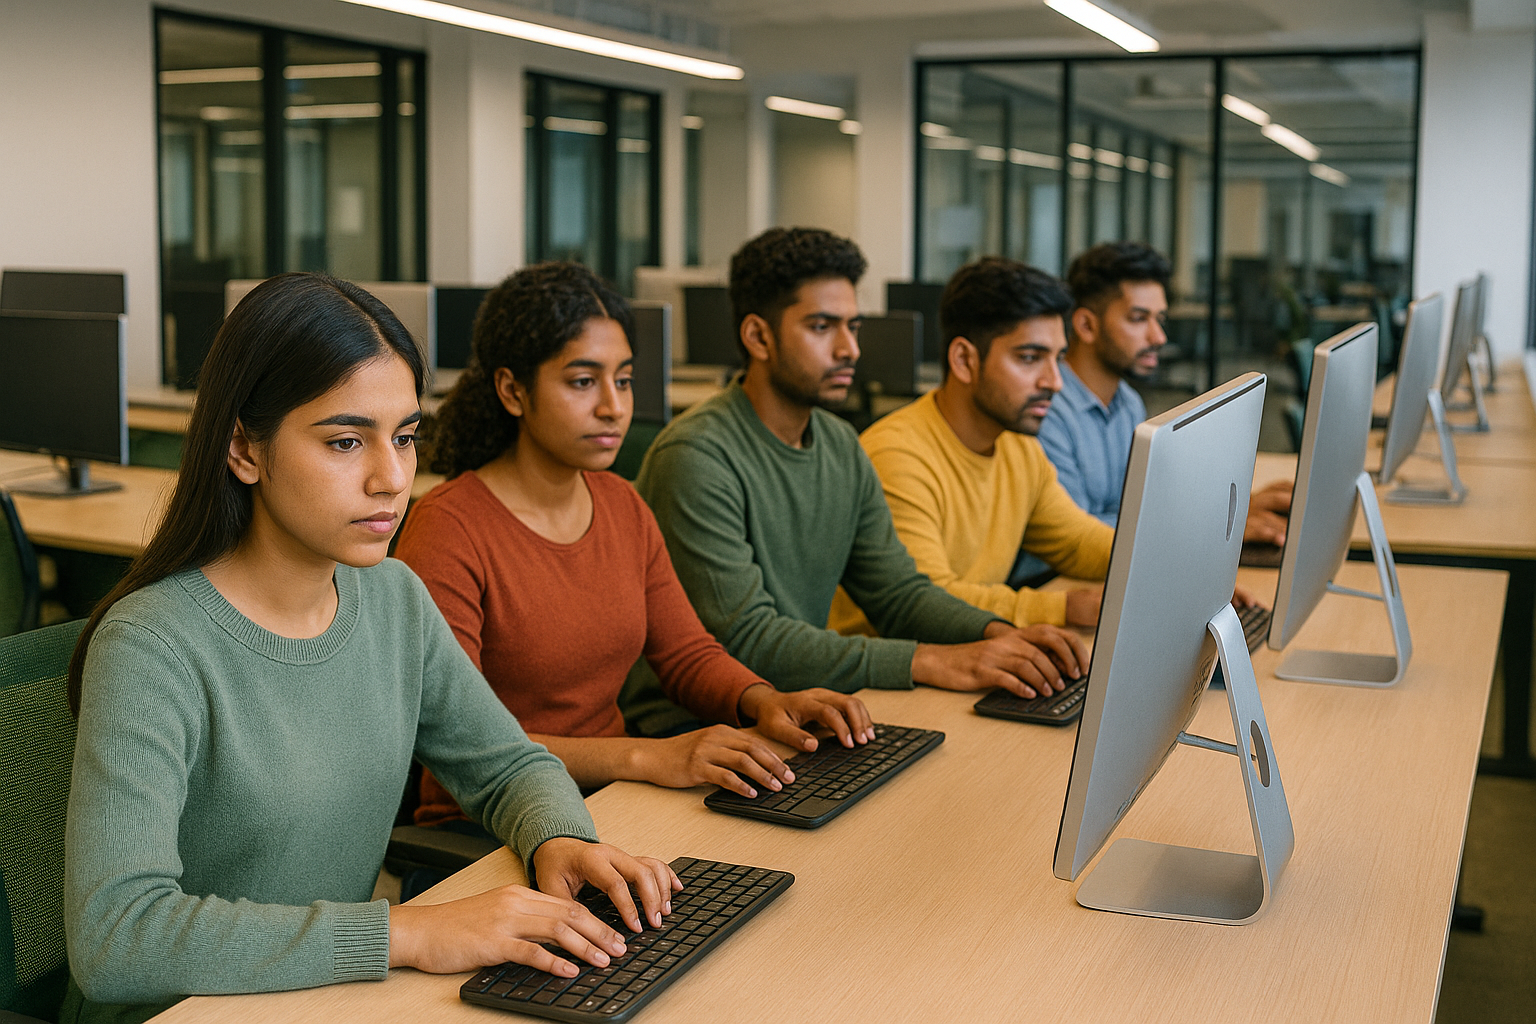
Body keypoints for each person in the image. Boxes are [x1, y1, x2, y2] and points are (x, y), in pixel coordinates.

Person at [62, 273, 678, 1024]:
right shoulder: (152, 645)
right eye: (346, 440)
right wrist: (408, 931)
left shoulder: (393, 598)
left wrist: (559, 837)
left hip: (334, 998)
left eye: (407, 436)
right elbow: (117, 937)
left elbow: (508, 765)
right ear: (243, 448)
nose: (392, 478)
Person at [395, 262, 873, 822]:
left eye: (622, 379)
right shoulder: (450, 528)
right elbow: (470, 743)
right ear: (512, 391)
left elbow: (685, 654)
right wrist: (648, 756)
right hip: (488, 828)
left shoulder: (622, 504)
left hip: (616, 803)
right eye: (582, 381)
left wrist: (766, 701)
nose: (613, 406)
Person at [631, 227, 1087, 711]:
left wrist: (1001, 634)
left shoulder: (839, 444)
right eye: (823, 327)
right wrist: (932, 661)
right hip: (693, 730)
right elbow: (747, 640)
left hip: (803, 710)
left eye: (854, 327)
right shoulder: (696, 456)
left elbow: (897, 592)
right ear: (758, 337)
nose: (850, 349)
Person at [828, 257, 1114, 637]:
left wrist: (1178, 562)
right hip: (887, 676)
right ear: (964, 360)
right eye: (1029, 358)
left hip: (971, 649)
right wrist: (1062, 607)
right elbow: (926, 601)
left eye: (1057, 358)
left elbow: (1078, 542)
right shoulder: (897, 455)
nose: (1054, 381)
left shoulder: (1018, 447)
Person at [1036, 241, 1291, 542]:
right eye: (1138, 319)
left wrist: (1228, 509)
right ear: (1086, 326)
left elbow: (1143, 507)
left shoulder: (1127, 403)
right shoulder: (1044, 413)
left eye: (1160, 319)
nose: (1158, 337)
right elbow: (1076, 535)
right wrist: (1206, 525)